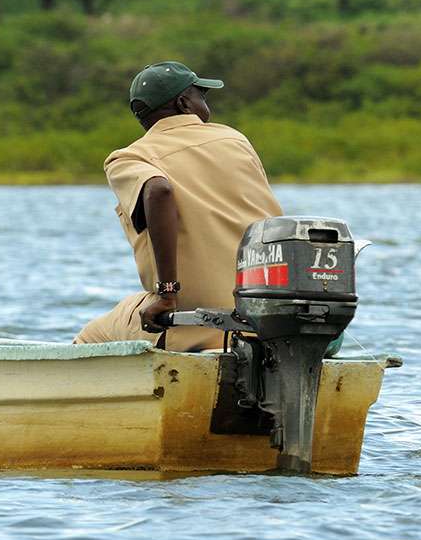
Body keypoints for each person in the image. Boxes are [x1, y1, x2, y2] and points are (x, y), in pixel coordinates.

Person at [73, 61, 280, 352]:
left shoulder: (129, 159)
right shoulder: (235, 140)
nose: (205, 105)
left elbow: (158, 190)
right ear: (184, 103)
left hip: (197, 320)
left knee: (89, 339)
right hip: (270, 315)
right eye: (201, 96)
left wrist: (167, 294)